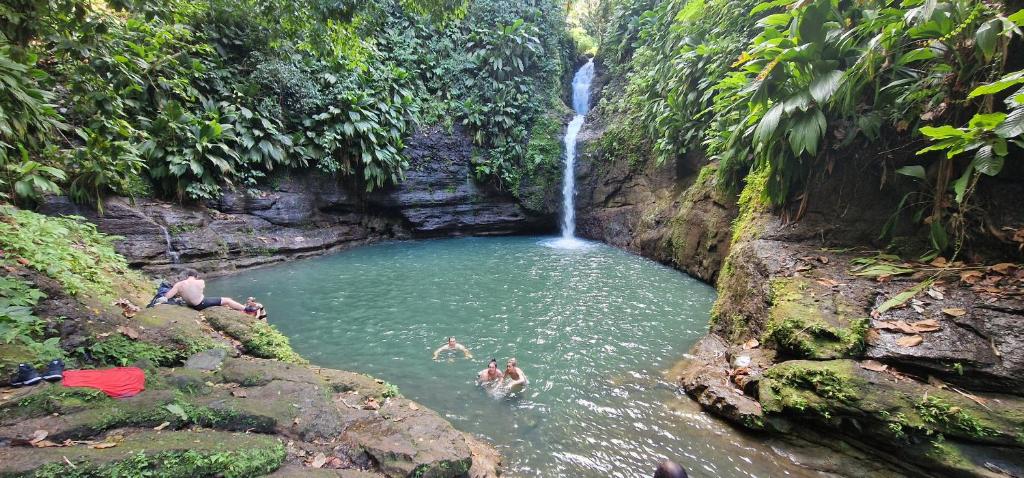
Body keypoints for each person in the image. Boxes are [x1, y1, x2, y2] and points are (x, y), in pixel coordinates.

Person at [156, 269, 248, 313]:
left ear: (187, 276)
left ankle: (240, 309)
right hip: (201, 304)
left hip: (190, 305)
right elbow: (198, 291)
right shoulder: (201, 281)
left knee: (222, 301)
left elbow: (167, 296)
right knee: (227, 300)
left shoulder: (179, 284)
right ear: (196, 276)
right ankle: (246, 309)